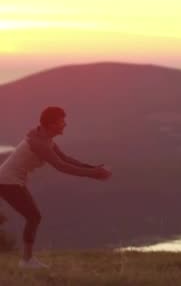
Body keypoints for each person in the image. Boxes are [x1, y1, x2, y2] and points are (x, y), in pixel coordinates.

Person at [0, 106, 112, 269]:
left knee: (33, 216)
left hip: (11, 181)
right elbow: (62, 166)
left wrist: (92, 167)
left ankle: (27, 260)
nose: (65, 124)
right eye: (61, 122)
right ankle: (26, 261)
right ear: (51, 124)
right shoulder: (40, 144)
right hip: (7, 181)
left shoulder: (45, 138)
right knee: (33, 216)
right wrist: (94, 173)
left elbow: (65, 158)